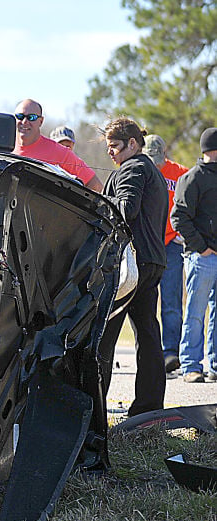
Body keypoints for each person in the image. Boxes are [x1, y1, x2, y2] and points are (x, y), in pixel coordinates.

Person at [97, 118, 168, 416]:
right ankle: (148, 411)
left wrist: (97, 203)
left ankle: (93, 409)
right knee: (149, 335)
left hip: (130, 265)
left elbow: (126, 209)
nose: (110, 153)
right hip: (151, 261)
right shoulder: (151, 171)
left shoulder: (134, 168)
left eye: (115, 146)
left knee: (104, 336)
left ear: (133, 144)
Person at [170, 128, 217, 383]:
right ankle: (190, 366)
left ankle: (215, 366)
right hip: (202, 258)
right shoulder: (193, 178)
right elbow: (178, 218)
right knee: (196, 313)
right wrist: (201, 247)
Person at [142, 135, 191, 373]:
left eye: (158, 159)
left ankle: (171, 352)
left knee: (171, 301)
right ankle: (152, 353)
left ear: (165, 154)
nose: (155, 164)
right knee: (145, 301)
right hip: (147, 243)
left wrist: (186, 233)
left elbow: (194, 203)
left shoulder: (181, 173)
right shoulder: (141, 169)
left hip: (171, 243)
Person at [12, 99, 102, 192]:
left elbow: (95, 185)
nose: (24, 121)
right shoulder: (3, 147)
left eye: (31, 117)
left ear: (41, 121)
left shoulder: (59, 152)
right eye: (20, 116)